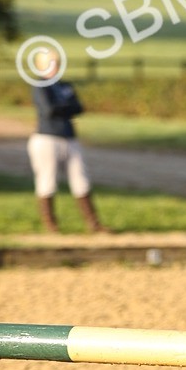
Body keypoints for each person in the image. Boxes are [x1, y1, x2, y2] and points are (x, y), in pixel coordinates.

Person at [27, 49, 107, 233]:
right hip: (47, 138)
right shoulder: (40, 85)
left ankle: (94, 223)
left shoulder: (63, 85)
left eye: (56, 63)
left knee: (81, 179)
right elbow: (49, 110)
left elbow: (78, 107)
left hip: (68, 137)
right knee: (47, 180)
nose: (55, 67)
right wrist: (66, 107)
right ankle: (51, 225)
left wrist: (62, 107)